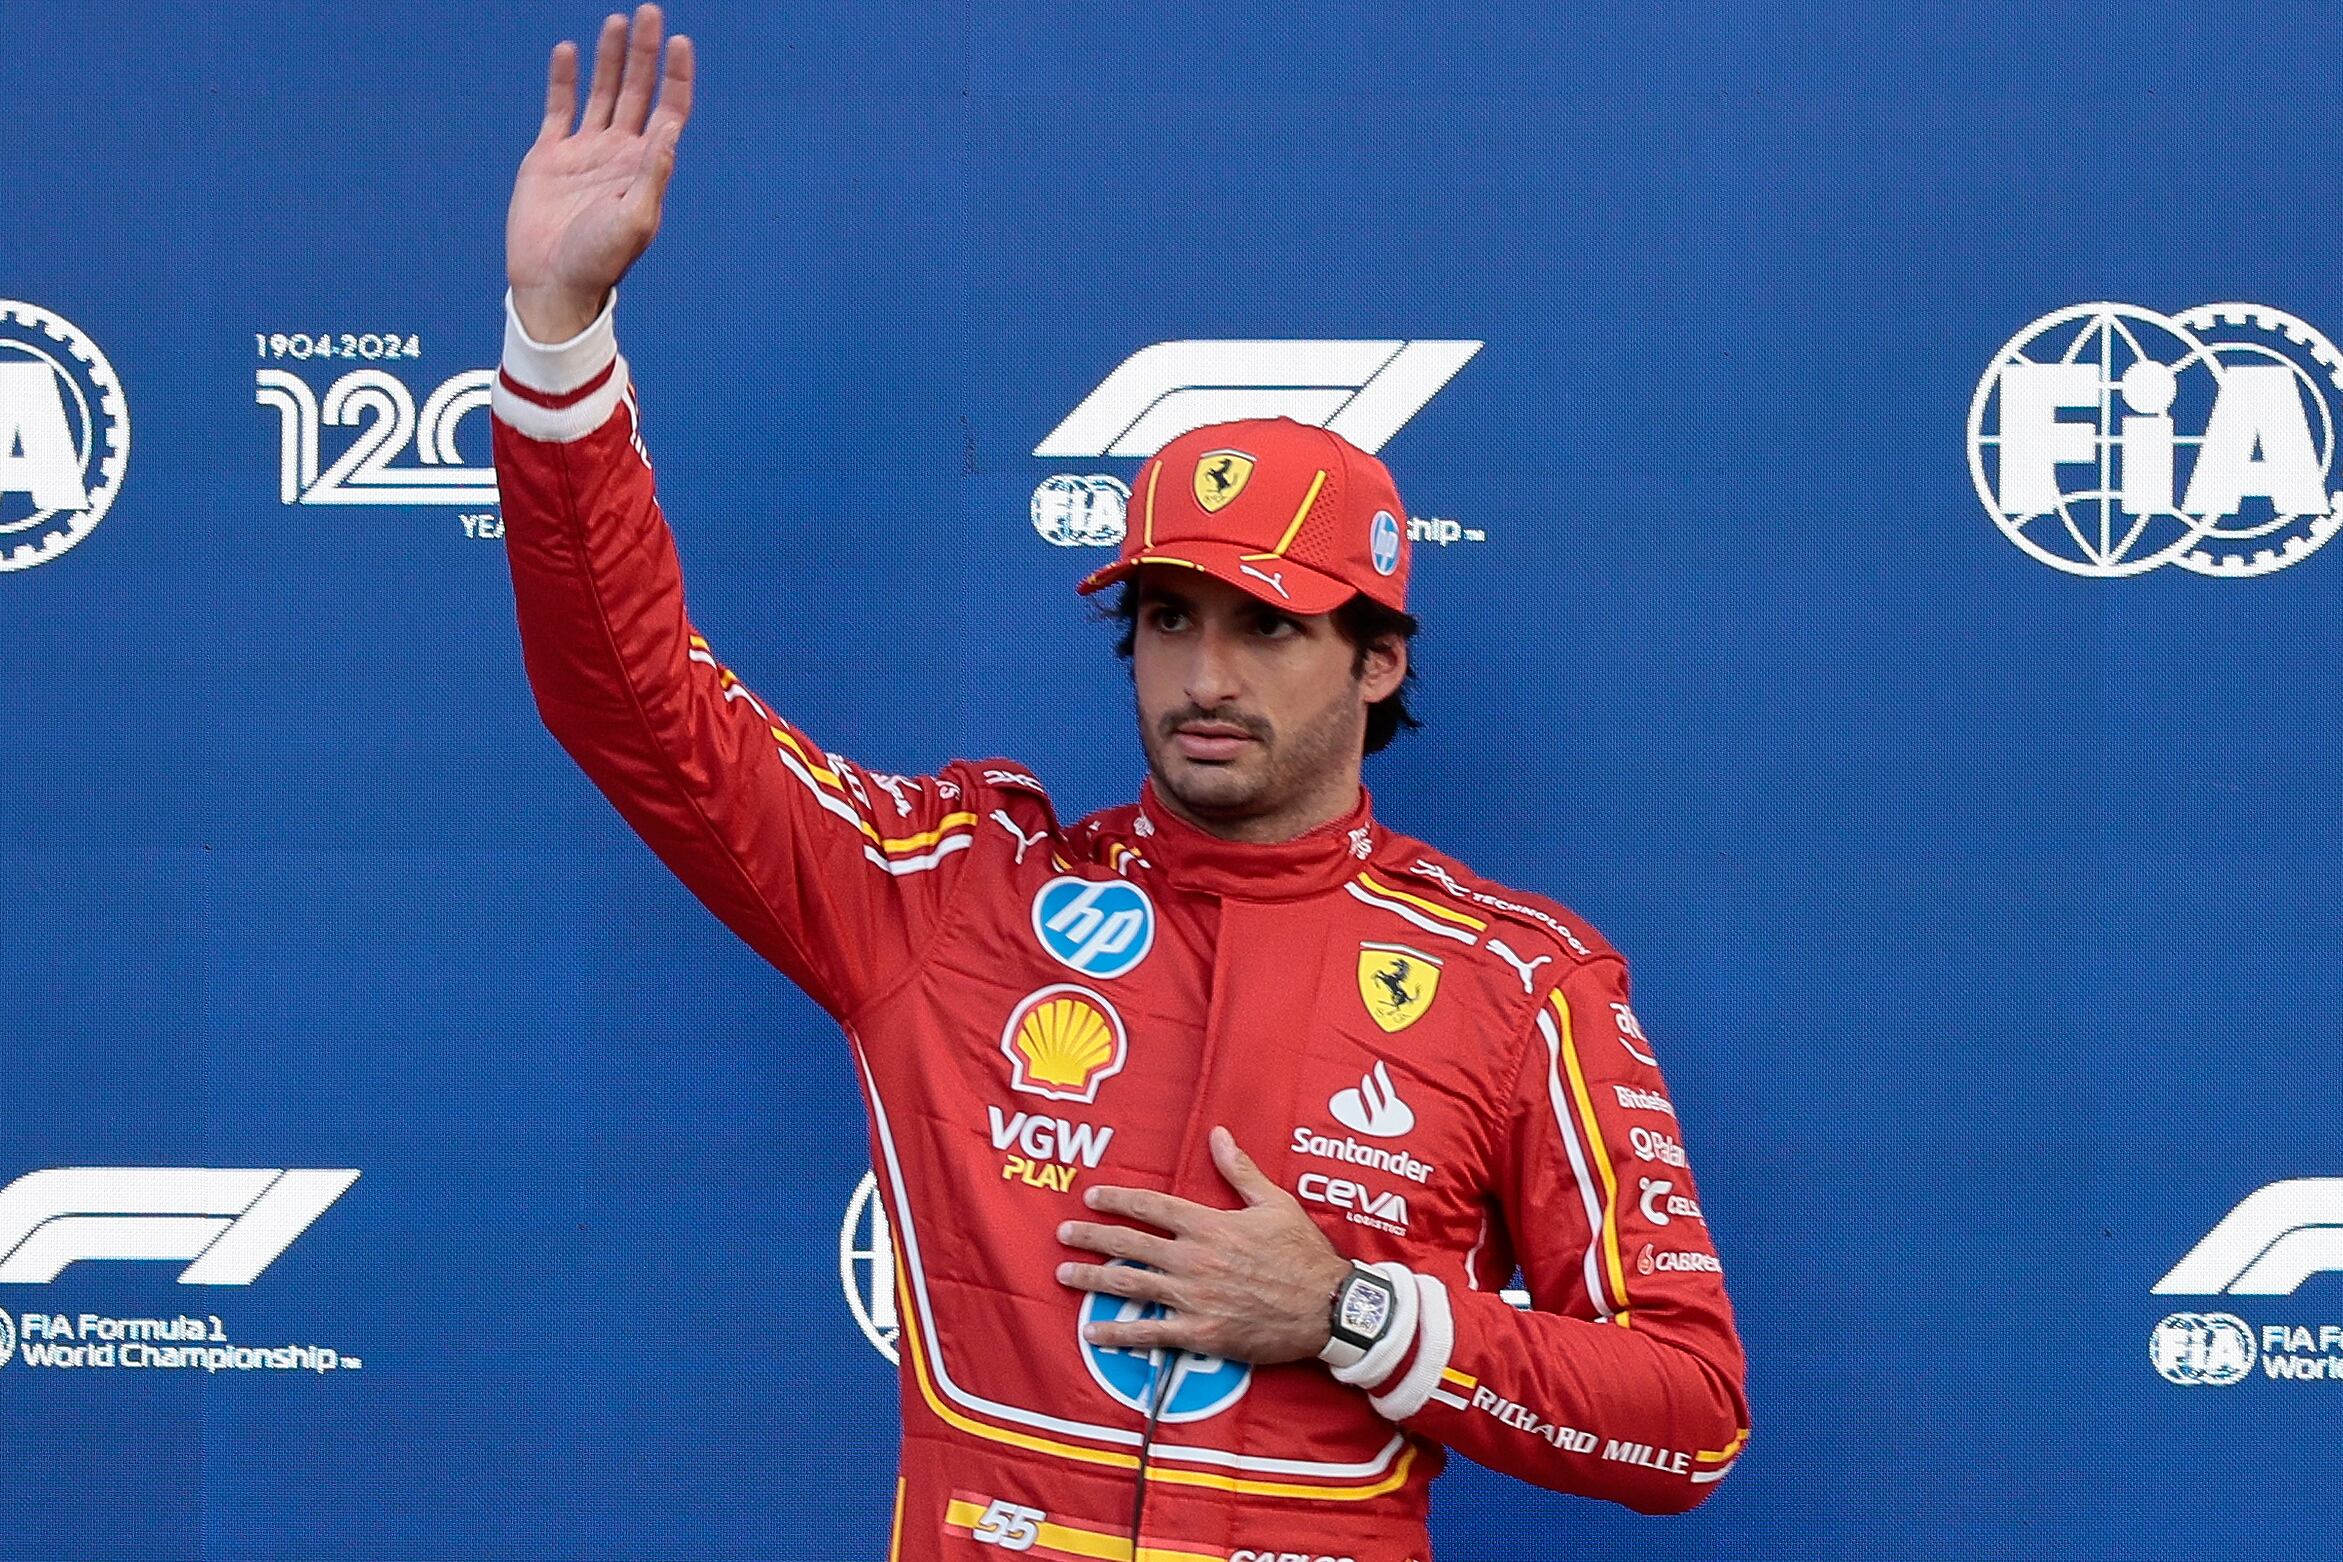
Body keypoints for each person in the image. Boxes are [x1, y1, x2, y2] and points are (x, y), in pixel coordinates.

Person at [491, 9, 1750, 1559]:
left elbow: (1690, 1413)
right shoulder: (960, 892)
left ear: (1380, 663)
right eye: (1168, 619)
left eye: (1270, 628)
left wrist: (1359, 1313)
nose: (1205, 676)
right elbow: (632, 702)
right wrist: (557, 334)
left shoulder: (1522, 981)